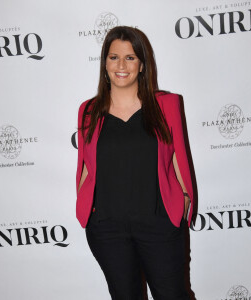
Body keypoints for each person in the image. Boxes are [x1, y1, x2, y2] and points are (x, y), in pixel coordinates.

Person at [76, 26, 194, 300]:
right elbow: (85, 165)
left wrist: (184, 199)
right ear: (104, 63)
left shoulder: (166, 105)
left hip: (159, 224)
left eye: (130, 57)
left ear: (142, 65)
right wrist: (86, 208)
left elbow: (178, 157)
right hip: (107, 228)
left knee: (172, 295)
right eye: (113, 57)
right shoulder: (88, 111)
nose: (121, 65)